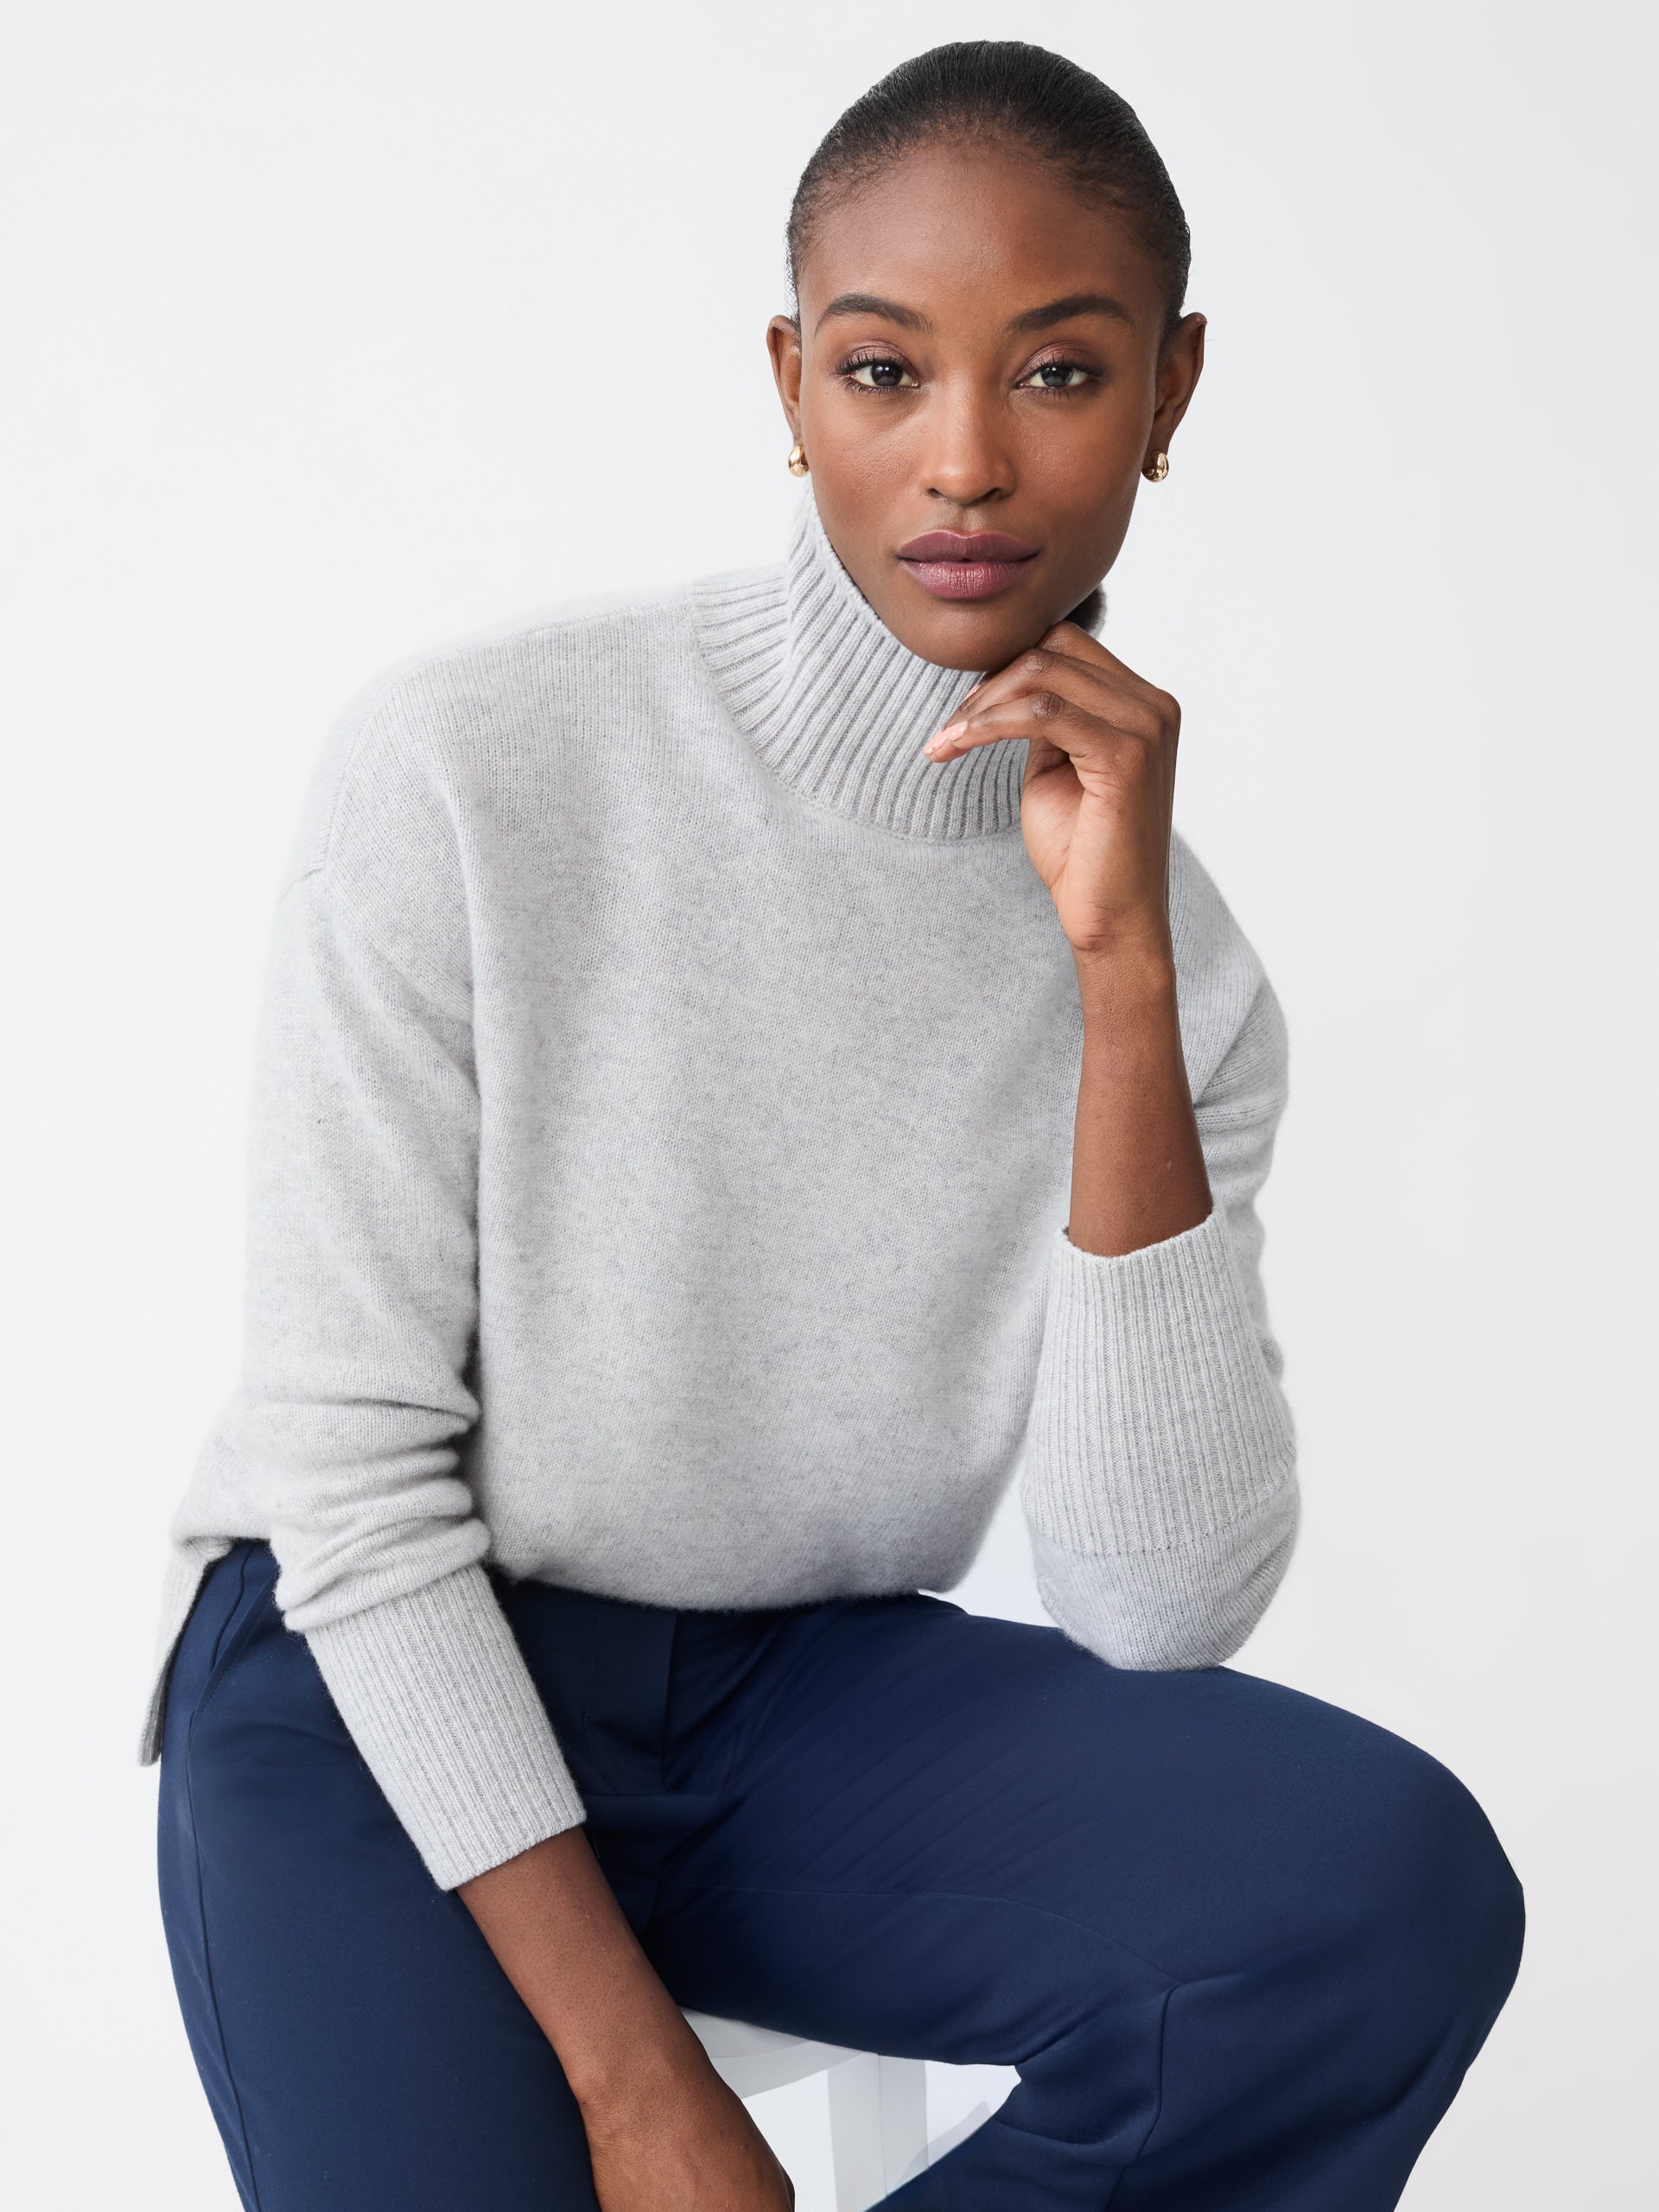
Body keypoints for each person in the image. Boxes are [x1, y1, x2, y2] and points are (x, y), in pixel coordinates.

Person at [143, 40, 1523, 2212]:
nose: (965, 460)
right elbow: (345, 1473)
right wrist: (636, 2081)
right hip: (369, 1677)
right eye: (885, 371)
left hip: (796, 1705)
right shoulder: (470, 766)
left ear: (1169, 393)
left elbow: (1156, 1602)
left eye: (1058, 373)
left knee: (1374, 1892)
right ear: (792, 386)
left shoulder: (1185, 973)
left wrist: (1120, 977)